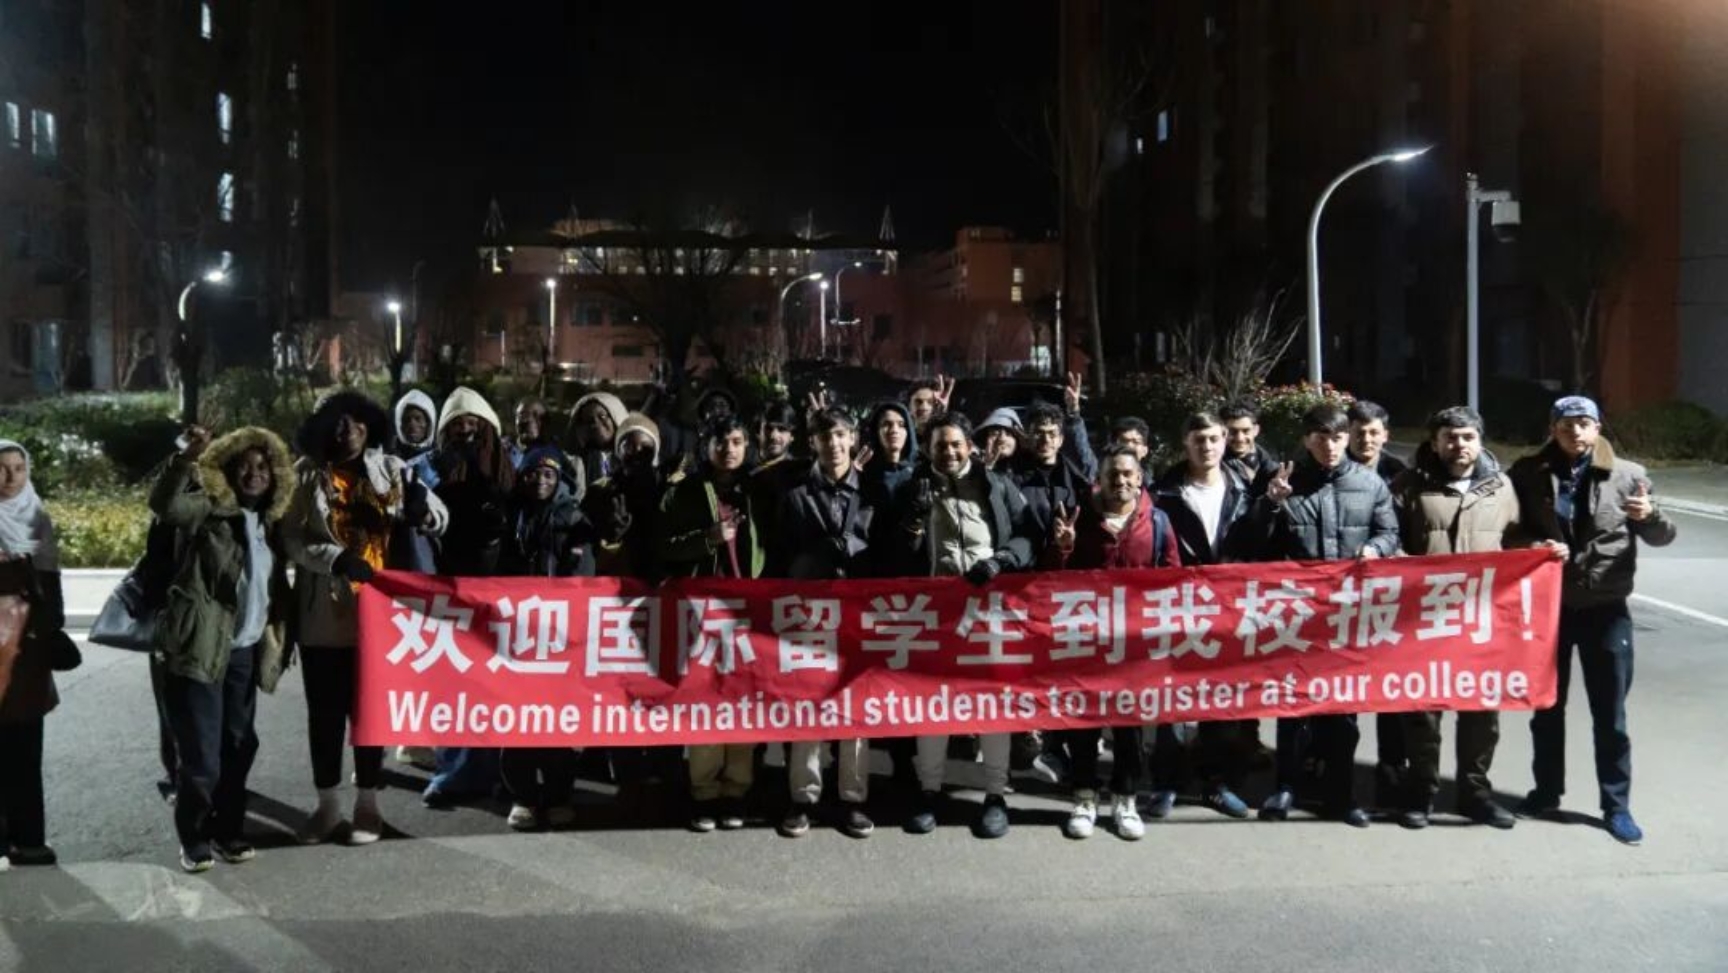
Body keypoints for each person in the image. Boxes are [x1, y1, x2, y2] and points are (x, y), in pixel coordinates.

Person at [1509, 395, 1677, 845]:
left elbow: (1663, 536)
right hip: (1549, 609)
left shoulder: (1629, 475)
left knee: (1611, 715)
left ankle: (1616, 806)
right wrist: (1532, 546)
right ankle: (1546, 791)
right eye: (1566, 424)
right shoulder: (1527, 473)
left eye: (1584, 423)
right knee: (1546, 708)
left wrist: (1651, 516)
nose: (1575, 432)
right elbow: (1507, 530)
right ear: (1552, 428)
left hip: (1607, 609)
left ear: (1598, 427)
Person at [284, 391, 448, 846]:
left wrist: (424, 512)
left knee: (370, 715)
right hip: (323, 616)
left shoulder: (392, 469)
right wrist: (334, 559)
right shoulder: (306, 474)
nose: (348, 430)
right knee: (325, 717)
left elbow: (439, 516)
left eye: (357, 421)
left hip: (379, 618)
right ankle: (327, 807)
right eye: (338, 421)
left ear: (370, 426)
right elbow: (291, 537)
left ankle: (368, 807)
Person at [149, 425, 294, 872]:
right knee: (202, 758)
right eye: (244, 466)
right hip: (200, 647)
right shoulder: (208, 507)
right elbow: (165, 505)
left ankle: (228, 829)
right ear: (229, 471)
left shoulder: (269, 522)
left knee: (239, 745)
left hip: (244, 652)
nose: (254, 474)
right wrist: (183, 459)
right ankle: (193, 835)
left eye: (263, 466)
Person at [1250, 404, 1398, 828]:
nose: (1330, 446)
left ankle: (1341, 794)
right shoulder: (1283, 480)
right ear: (1306, 439)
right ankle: (1286, 787)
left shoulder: (1369, 483)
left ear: (1346, 438)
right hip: (1297, 612)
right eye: (1320, 438)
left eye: (1337, 437)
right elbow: (1253, 542)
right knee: (1293, 706)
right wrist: (1271, 504)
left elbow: (1389, 532)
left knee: (1343, 711)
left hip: (1348, 614)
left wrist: (1375, 549)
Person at [895, 412, 1036, 839]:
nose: (949, 452)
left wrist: (1002, 560)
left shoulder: (997, 485)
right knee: (932, 705)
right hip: (934, 613)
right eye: (941, 445)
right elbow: (892, 552)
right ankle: (929, 790)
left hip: (989, 610)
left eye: (956, 444)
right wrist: (912, 522)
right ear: (928, 448)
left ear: (970, 446)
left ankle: (994, 795)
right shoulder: (911, 488)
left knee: (992, 704)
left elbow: (1028, 534)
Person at [1390, 406, 1527, 831]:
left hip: (1481, 621)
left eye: (1467, 437)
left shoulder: (1501, 487)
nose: (1459, 445)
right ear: (1434, 443)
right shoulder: (1409, 485)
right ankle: (1421, 793)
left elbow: (1517, 540)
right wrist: (1399, 561)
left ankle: (1475, 794)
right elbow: (1389, 537)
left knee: (1481, 712)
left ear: (1480, 441)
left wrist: (1540, 552)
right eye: (1449, 437)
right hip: (1423, 620)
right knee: (1422, 713)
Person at [1043, 445, 1180, 840]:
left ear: (1139, 478)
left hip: (1135, 644)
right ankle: (1084, 797)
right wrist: (1064, 547)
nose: (1120, 481)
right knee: (1084, 723)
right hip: (1087, 640)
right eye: (1111, 475)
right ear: (1098, 480)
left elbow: (1174, 577)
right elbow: (1050, 578)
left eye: (1127, 474)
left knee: (1129, 727)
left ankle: (1125, 798)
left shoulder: (1158, 521)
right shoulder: (1077, 517)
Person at [1148, 412, 1260, 821]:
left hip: (1230, 608)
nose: (1207, 447)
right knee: (1172, 702)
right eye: (1199, 440)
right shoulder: (1163, 492)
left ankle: (1216, 784)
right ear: (1186, 444)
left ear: (1225, 440)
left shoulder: (1246, 489)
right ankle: (1166, 783)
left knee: (1222, 701)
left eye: (1214, 439)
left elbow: (1259, 543)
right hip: (1178, 606)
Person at [773, 408, 877, 839]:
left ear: (852, 438)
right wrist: (815, 557)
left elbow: (882, 549)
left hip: (857, 613)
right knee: (808, 703)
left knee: (855, 708)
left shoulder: (872, 489)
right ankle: (804, 797)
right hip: (810, 612)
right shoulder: (795, 494)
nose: (833, 443)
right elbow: (780, 555)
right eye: (823, 436)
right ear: (812, 442)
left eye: (839, 434)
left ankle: (853, 798)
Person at [659, 415, 765, 832]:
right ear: (706, 446)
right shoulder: (684, 491)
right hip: (701, 611)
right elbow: (662, 546)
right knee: (704, 701)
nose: (729, 449)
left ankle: (737, 791)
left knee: (743, 702)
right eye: (721, 441)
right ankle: (703, 791)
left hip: (749, 612)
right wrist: (707, 540)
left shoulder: (758, 490)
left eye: (737, 441)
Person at [421, 387, 515, 806]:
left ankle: (496, 773)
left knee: (494, 686)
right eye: (457, 426)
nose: (466, 433)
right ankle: (452, 773)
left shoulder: (506, 468)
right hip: (449, 587)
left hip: (497, 590)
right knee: (452, 685)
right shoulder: (431, 467)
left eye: (474, 425)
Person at [497, 446, 588, 832]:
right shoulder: (508, 514)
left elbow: (586, 575)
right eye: (533, 473)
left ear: (560, 480)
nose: (540, 481)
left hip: (557, 636)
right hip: (516, 631)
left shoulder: (574, 518)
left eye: (549, 475)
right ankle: (522, 796)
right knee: (517, 718)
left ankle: (558, 794)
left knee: (555, 719)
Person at [0, 441, 67, 868]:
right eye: (2, 468)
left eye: (19, 468)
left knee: (25, 746)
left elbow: (52, 590)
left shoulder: (36, 518)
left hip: (25, 652)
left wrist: (45, 626)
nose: (11, 477)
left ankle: (28, 839)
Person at [1345, 399, 1410, 806]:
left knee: (1392, 686)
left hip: (1392, 598)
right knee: (1342, 683)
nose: (1366, 439)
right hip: (1343, 597)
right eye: (1359, 432)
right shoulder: (1330, 469)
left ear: (1385, 435)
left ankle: (1392, 764)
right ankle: (1333, 764)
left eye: (1374, 432)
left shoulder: (1403, 476)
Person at [509, 397, 584, 493]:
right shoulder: (505, 452)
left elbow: (577, 493)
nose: (529, 420)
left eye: (537, 416)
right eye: (522, 415)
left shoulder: (569, 460)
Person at [566, 391, 629, 494]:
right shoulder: (574, 464)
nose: (595, 423)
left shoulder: (632, 458)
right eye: (588, 420)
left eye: (602, 416)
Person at [1221, 401, 1280, 487]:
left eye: (1246, 431)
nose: (1240, 438)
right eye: (1233, 432)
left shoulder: (1273, 469)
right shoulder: (1214, 467)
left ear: (1256, 430)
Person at [974, 408, 1022, 472]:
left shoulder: (1027, 467)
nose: (1002, 439)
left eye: (1008, 434)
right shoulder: (974, 466)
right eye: (995, 434)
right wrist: (988, 467)